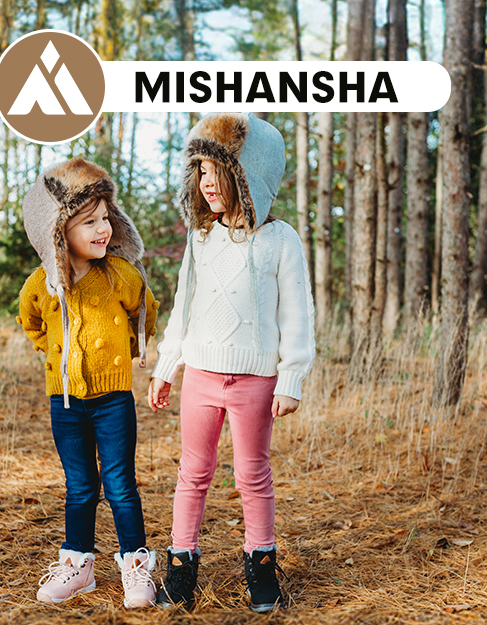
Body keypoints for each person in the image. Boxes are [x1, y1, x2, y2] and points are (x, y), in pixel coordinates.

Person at [148, 113, 315, 613]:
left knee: (252, 474)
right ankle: (181, 568)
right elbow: (185, 305)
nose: (205, 182)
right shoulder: (200, 239)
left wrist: (292, 376)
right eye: (198, 171)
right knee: (193, 472)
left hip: (255, 381)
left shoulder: (280, 239)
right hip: (200, 374)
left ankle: (261, 567)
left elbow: (297, 312)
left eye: (215, 170)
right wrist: (166, 365)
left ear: (247, 174)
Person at [17, 158, 160, 608]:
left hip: (113, 398)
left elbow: (145, 309)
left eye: (106, 218)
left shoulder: (119, 275)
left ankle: (135, 566)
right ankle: (79, 564)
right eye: (89, 221)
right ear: (58, 231)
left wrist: (133, 346)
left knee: (119, 484)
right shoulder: (41, 284)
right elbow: (33, 323)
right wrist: (56, 355)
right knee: (80, 487)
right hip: (64, 402)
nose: (103, 229)